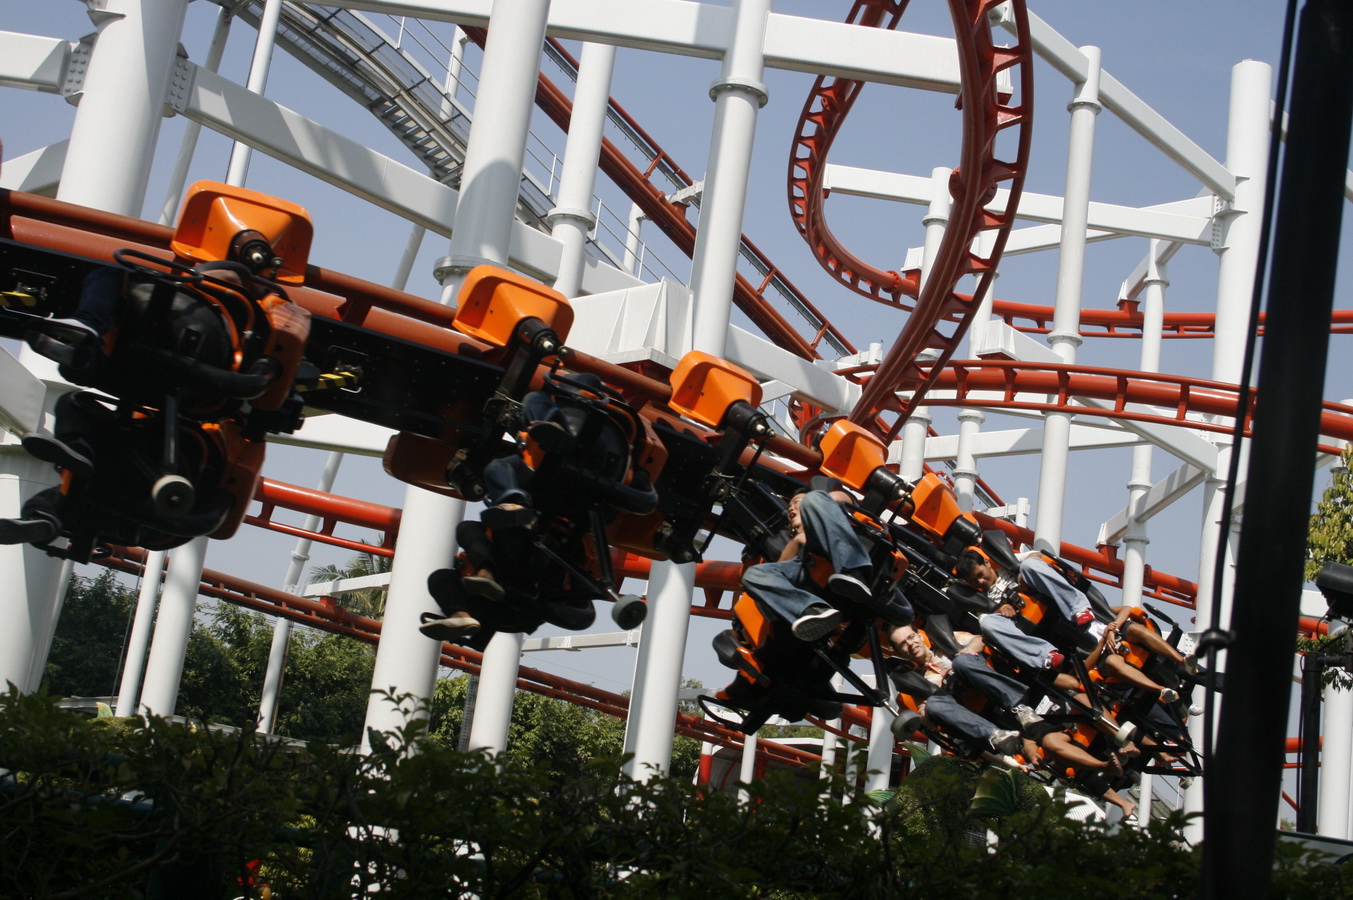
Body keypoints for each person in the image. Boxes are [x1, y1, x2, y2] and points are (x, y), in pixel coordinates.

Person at [740, 481, 883, 641]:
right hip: (807, 568)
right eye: (789, 507)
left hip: (830, 546)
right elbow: (780, 569)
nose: (791, 508)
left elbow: (837, 499)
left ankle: (855, 573)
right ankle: (812, 611)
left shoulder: (826, 507)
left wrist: (816, 501)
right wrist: (797, 541)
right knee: (752, 575)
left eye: (796, 502)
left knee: (814, 498)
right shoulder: (790, 540)